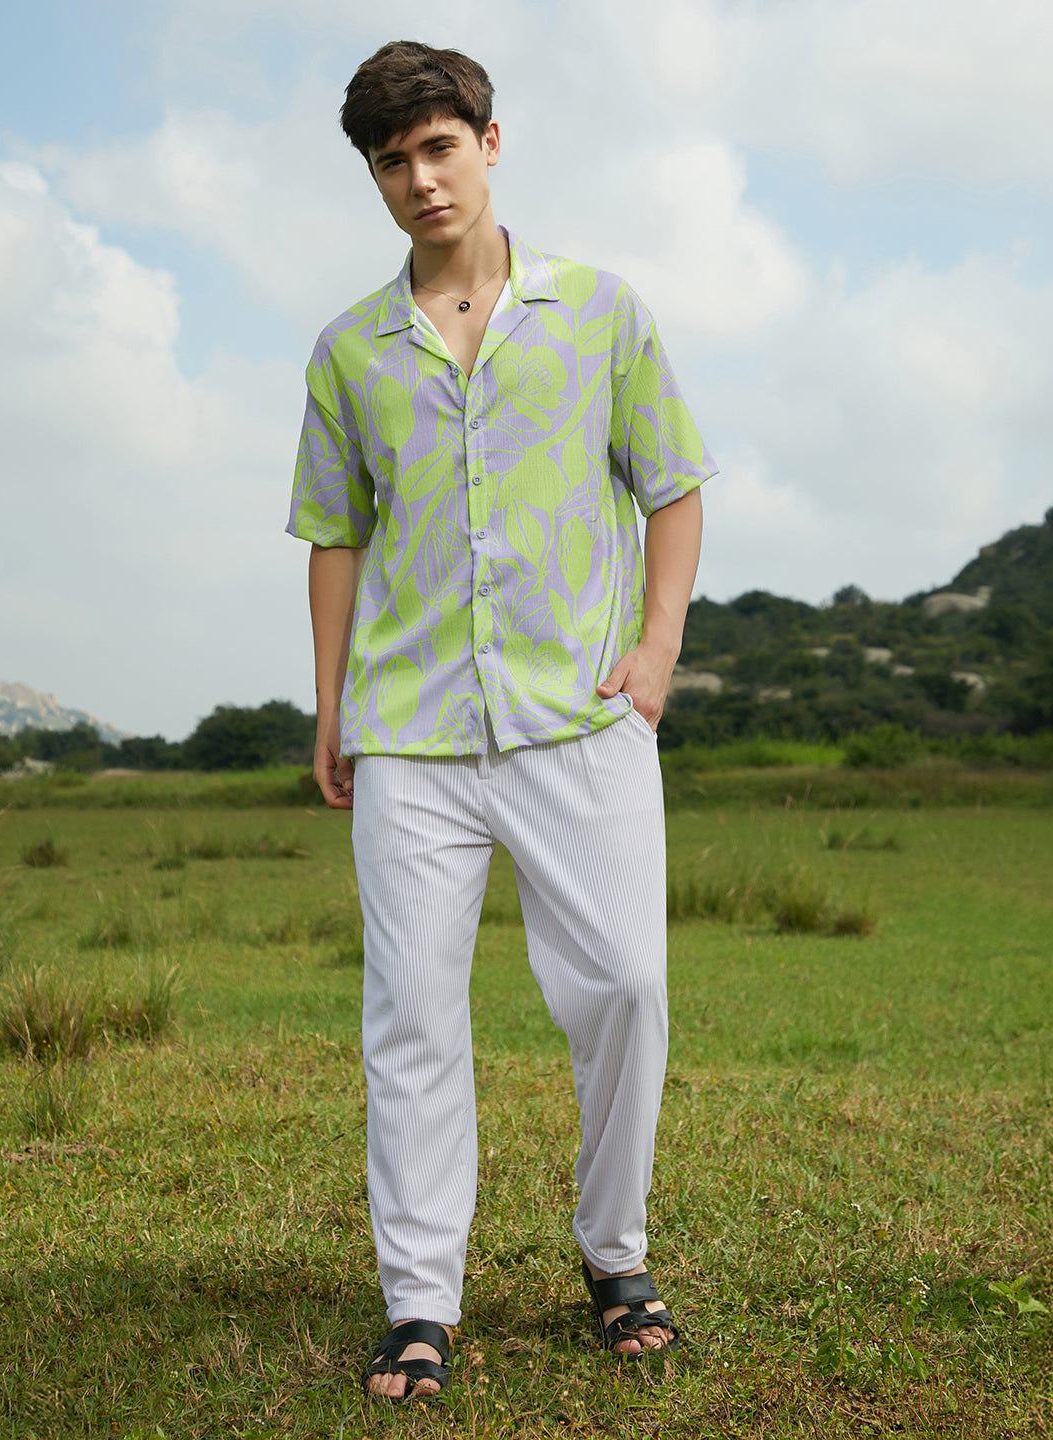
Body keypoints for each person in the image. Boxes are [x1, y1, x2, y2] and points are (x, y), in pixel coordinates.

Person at [286, 40, 718, 1401]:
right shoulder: (350, 351)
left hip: (581, 717)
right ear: (374, 178)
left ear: (487, 140)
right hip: (411, 730)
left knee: (628, 991)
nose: (419, 180)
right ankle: (420, 1301)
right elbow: (336, 533)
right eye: (390, 162)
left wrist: (657, 650)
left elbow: (671, 484)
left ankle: (615, 1251)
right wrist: (331, 703)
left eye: (437, 148)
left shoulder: (601, 312)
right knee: (413, 1014)